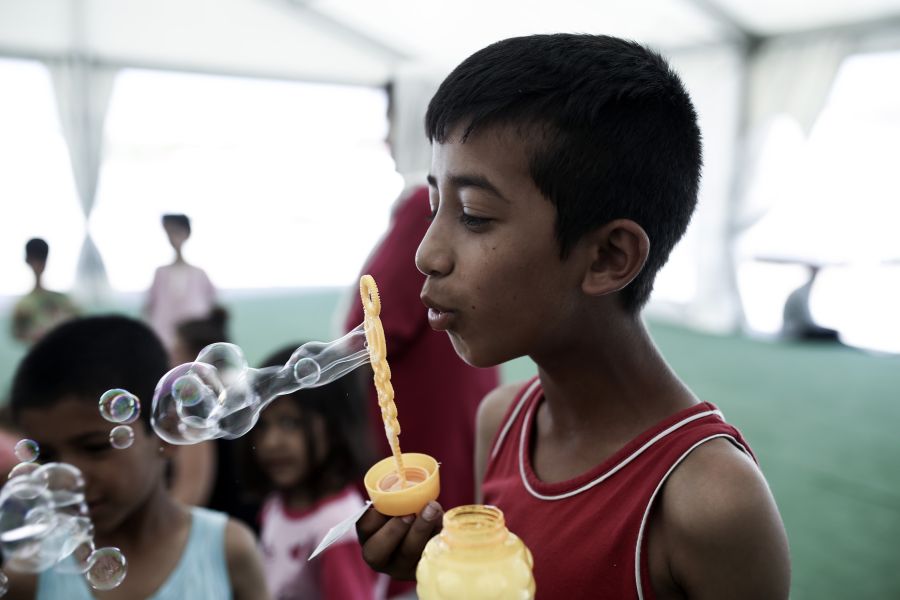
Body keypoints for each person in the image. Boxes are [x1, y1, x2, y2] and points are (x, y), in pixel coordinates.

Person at [357, 34, 791, 599]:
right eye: (435, 204)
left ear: (608, 257)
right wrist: (452, 572)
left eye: (474, 214)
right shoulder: (501, 422)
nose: (426, 254)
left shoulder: (710, 500)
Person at [5, 315, 267, 599]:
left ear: (167, 432)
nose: (67, 477)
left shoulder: (228, 550)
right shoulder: (27, 578)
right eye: (46, 456)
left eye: (95, 447)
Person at [245, 344, 384, 599]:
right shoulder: (277, 505)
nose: (271, 442)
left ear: (334, 426)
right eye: (262, 425)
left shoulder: (335, 528)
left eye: (290, 423)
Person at [145, 214, 217, 353]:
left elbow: (210, 303)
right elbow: (151, 306)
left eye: (177, 232)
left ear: (186, 234)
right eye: (169, 233)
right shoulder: (161, 273)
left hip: (194, 338)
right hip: (165, 338)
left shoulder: (199, 273)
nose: (173, 238)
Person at [10, 238, 78, 345]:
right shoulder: (23, 306)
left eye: (41, 259)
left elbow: (79, 321)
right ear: (28, 261)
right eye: (35, 259)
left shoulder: (63, 300)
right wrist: (34, 335)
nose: (38, 264)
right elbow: (18, 333)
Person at [781, 263, 840, 341]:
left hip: (799, 329)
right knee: (832, 334)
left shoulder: (803, 291)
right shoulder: (800, 293)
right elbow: (805, 319)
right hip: (797, 331)